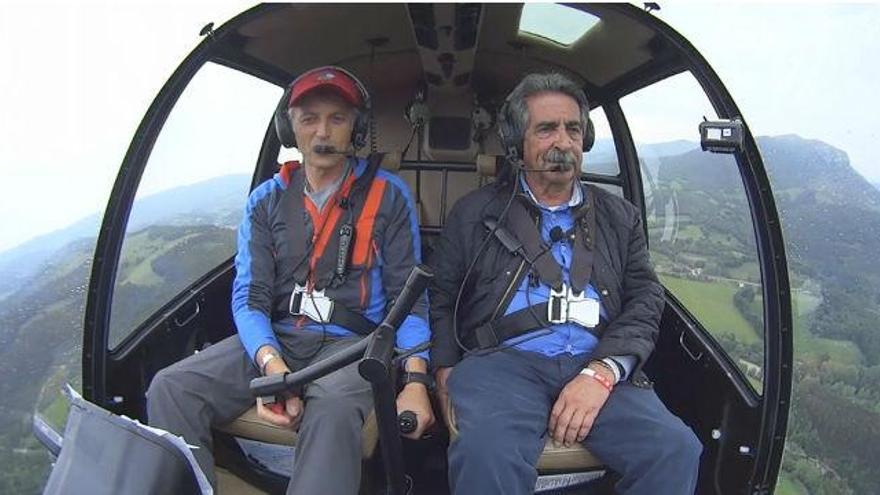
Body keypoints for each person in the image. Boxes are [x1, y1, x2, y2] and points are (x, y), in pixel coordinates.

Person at [147, 66, 434, 495]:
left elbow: (408, 301)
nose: (323, 132)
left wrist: (415, 379)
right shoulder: (266, 201)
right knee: (170, 388)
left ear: (355, 128)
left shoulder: (388, 195)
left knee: (333, 409)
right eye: (309, 118)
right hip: (277, 338)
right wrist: (272, 366)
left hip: (349, 347)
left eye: (337, 118)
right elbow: (250, 298)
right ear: (290, 127)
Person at [429, 73, 702, 494]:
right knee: (486, 455)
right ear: (517, 141)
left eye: (573, 129)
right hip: (501, 364)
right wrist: (444, 368)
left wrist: (603, 373)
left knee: (676, 448)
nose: (563, 142)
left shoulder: (619, 216)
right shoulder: (473, 213)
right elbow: (441, 296)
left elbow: (646, 300)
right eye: (546, 128)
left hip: (595, 359)